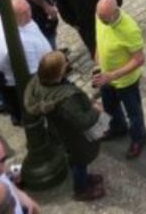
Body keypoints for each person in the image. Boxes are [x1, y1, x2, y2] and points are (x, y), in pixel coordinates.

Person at [24, 50, 105, 201]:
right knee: (79, 162)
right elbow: (83, 122)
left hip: (61, 131)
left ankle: (85, 177)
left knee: (77, 161)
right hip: (74, 137)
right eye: (64, 64)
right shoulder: (66, 100)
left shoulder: (39, 81)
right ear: (57, 74)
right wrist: (95, 110)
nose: (68, 63)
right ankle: (81, 189)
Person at [94, 0, 146, 159]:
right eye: (99, 17)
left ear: (114, 13)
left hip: (125, 81)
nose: (100, 21)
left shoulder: (129, 29)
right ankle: (118, 128)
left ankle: (139, 138)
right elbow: (99, 37)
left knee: (134, 113)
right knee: (109, 107)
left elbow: (139, 59)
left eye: (104, 19)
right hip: (106, 77)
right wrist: (98, 61)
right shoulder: (100, 17)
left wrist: (113, 75)